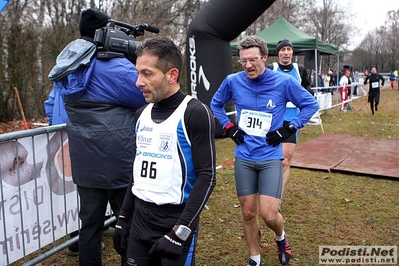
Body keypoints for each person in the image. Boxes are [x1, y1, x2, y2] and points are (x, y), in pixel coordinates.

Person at [48, 8, 147, 266]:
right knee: (127, 221)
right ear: (107, 31)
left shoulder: (67, 67)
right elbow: (144, 96)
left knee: (89, 224)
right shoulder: (115, 67)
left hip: (84, 160)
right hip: (119, 159)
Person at [210, 35, 318, 266]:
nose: (248, 65)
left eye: (253, 60)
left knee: (269, 215)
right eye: (243, 61)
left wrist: (288, 129)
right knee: (248, 213)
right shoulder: (233, 81)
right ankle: (254, 258)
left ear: (265, 57)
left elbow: (311, 104)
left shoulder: (283, 82)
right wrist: (229, 128)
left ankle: (281, 237)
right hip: (244, 157)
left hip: (270, 157)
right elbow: (215, 104)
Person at [112, 36, 216, 266]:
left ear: (172, 75)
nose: (138, 82)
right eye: (138, 73)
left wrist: (182, 230)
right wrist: (122, 217)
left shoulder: (194, 113)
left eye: (147, 74)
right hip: (140, 218)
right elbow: (137, 172)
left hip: (175, 220)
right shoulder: (141, 114)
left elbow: (207, 177)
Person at [266, 39, 313, 197]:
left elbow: (308, 91)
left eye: (288, 49)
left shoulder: (299, 70)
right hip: (272, 120)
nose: (286, 52)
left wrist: (303, 114)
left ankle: (277, 198)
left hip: (291, 120)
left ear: (292, 52)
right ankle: (266, 189)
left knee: (285, 160)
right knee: (269, 159)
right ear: (278, 53)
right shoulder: (270, 69)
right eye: (282, 49)